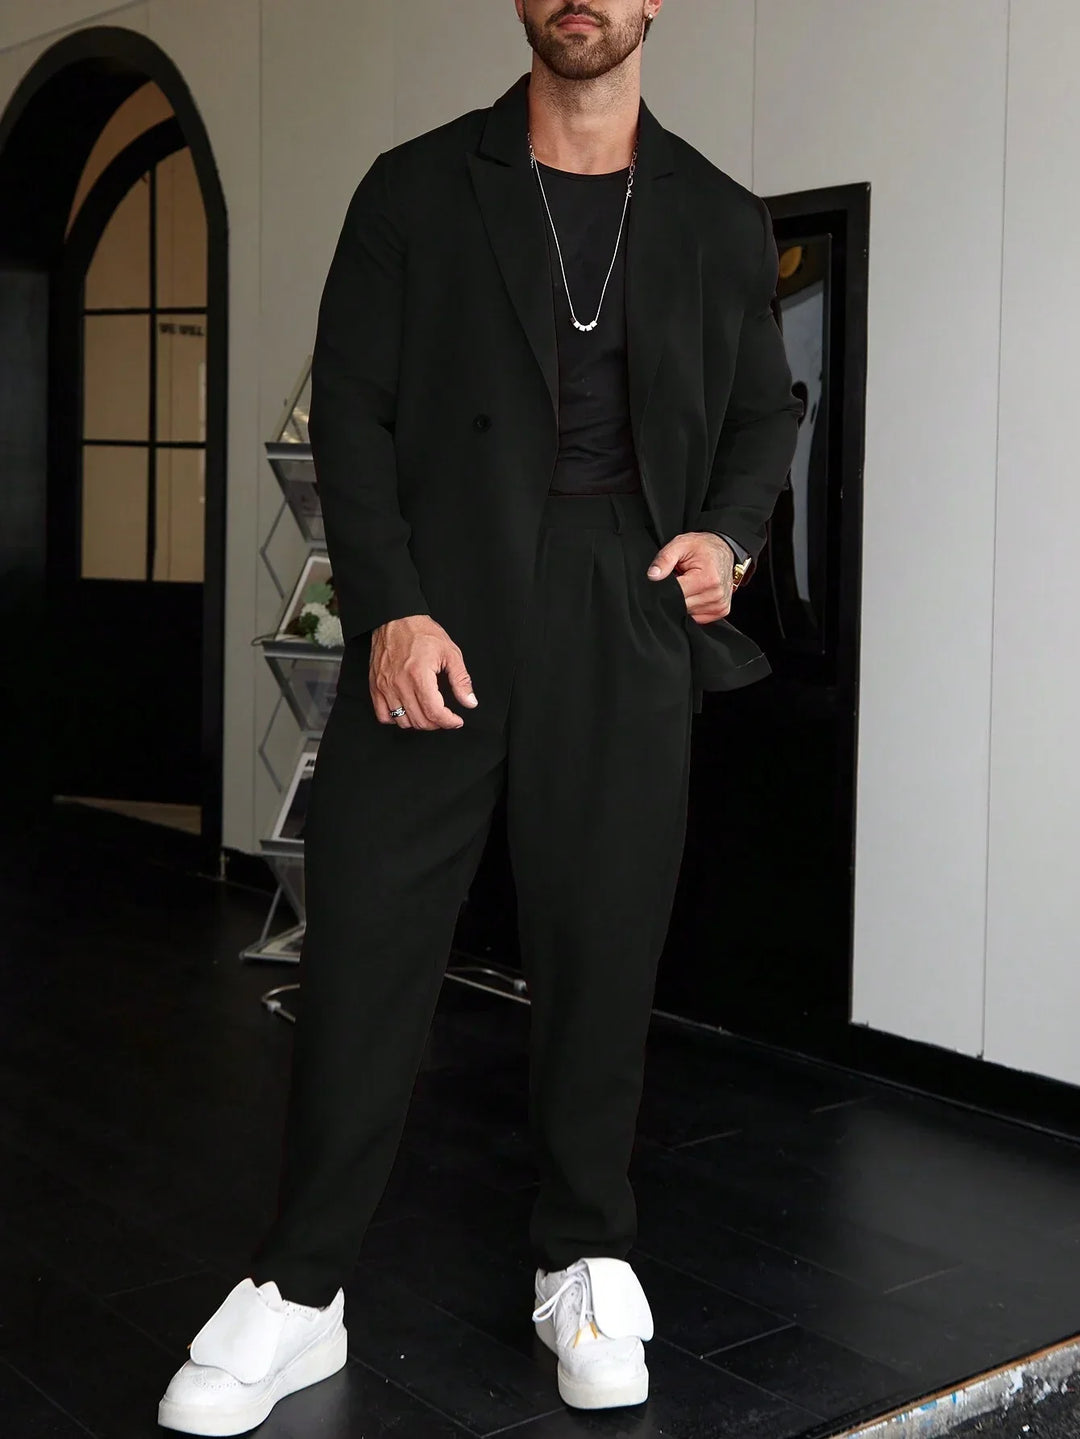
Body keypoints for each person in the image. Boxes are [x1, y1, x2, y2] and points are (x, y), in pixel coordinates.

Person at [157, 1, 801, 1432]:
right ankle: (303, 1288)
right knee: (367, 941)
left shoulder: (717, 215)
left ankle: (585, 1256)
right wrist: (387, 604)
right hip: (439, 605)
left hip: (625, 605)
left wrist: (729, 535)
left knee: (603, 945)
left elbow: (768, 410)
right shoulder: (414, 188)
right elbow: (353, 408)